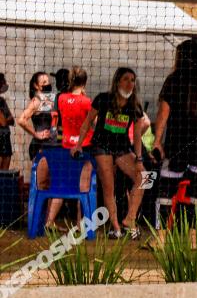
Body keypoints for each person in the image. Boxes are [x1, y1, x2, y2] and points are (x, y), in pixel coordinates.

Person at [151, 39, 197, 237]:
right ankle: (193, 237)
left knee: (166, 190)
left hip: (178, 143)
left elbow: (163, 113)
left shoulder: (174, 80)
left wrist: (157, 141)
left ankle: (161, 238)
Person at [72, 67, 147, 239]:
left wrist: (139, 158)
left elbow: (136, 136)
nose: (130, 84)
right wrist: (78, 145)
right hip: (101, 146)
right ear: (117, 81)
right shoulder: (103, 99)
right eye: (126, 79)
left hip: (122, 148)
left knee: (144, 177)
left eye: (133, 80)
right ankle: (115, 227)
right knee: (109, 186)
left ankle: (129, 219)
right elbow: (87, 123)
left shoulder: (134, 106)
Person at [50, 67, 95, 225]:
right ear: (85, 82)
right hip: (84, 146)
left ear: (70, 81)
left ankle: (49, 221)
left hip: (66, 146)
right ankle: (79, 223)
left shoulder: (61, 98)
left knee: (62, 184)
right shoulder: (87, 102)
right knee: (83, 185)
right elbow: (94, 124)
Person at [17, 71, 55, 207]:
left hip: (51, 146)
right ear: (36, 86)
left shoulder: (50, 98)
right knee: (41, 184)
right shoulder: (37, 100)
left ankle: (47, 223)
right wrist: (36, 134)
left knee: (50, 184)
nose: (48, 84)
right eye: (44, 82)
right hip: (39, 147)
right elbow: (21, 120)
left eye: (48, 81)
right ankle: (35, 220)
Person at [0, 73, 13, 170]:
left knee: (5, 170)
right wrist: (6, 119)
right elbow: (4, 122)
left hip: (5, 136)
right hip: (1, 137)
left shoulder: (2, 101)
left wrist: (6, 120)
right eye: (3, 82)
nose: (5, 84)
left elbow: (12, 119)